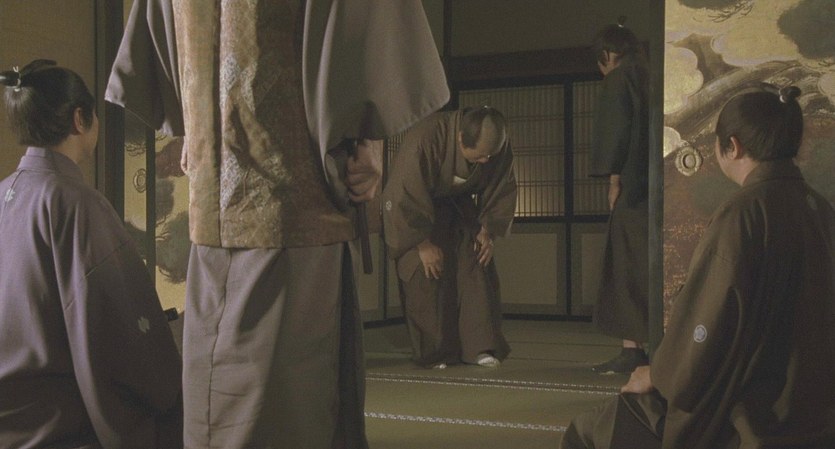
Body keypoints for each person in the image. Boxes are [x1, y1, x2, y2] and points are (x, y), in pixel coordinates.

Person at [105, 0, 450, 447]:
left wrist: (195, 122)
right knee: (290, 406)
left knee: (223, 397)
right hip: (292, 205)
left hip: (238, 207)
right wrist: (368, 136)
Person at [560, 84, 835, 449]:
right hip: (815, 408)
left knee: (590, 429)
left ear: (732, 146)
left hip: (751, 413)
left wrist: (658, 374)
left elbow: (707, 323)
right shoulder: (820, 208)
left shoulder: (744, 214)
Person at [0, 61, 182, 448]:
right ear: (80, 119)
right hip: (53, 426)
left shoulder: (4, 195)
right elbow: (118, 337)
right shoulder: (75, 203)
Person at [382, 106, 517, 369]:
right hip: (418, 214)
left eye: (489, 156)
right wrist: (422, 244)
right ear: (460, 138)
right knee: (425, 271)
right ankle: (435, 352)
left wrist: (487, 231)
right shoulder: (425, 139)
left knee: (477, 262)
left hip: (460, 207)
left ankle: (480, 347)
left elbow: (502, 186)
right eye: (479, 156)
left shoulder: (496, 146)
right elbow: (400, 195)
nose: (485, 161)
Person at [588, 17, 651, 375]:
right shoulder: (656, 75)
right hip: (664, 186)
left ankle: (632, 349)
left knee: (627, 265)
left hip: (633, 187)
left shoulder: (620, 78)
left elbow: (617, 134)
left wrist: (614, 180)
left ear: (609, 55)